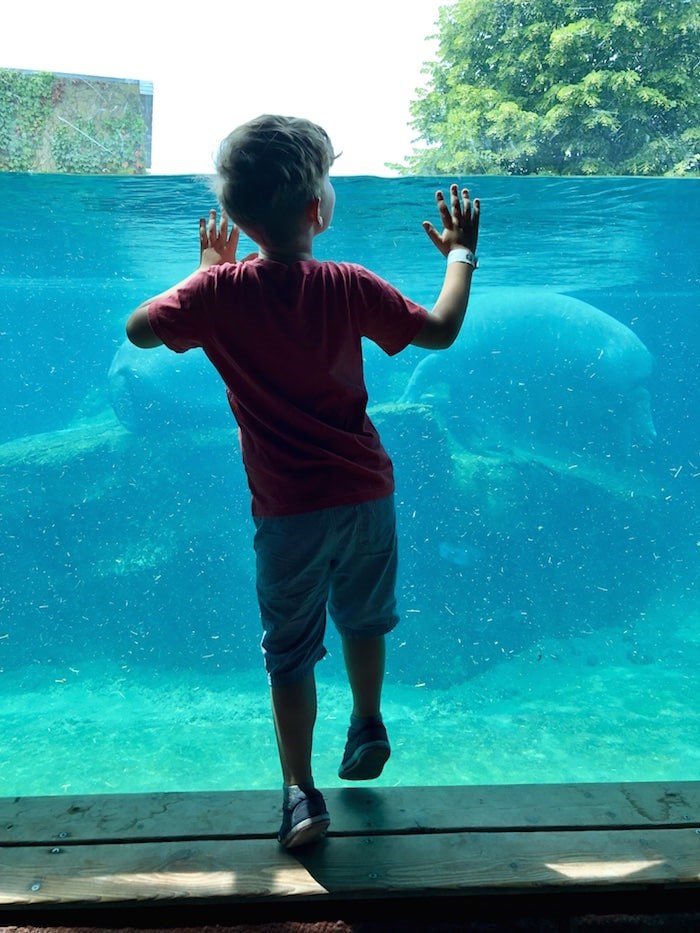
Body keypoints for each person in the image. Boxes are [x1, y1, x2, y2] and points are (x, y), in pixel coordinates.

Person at [126, 114, 480, 849]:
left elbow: (138, 330)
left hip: (287, 511)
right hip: (366, 495)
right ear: (318, 208)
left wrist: (204, 270)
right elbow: (441, 330)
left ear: (233, 216)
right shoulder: (348, 283)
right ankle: (368, 719)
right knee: (366, 616)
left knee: (289, 649)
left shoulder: (216, 295)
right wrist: (461, 255)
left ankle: (300, 794)